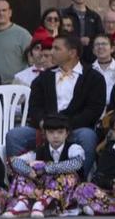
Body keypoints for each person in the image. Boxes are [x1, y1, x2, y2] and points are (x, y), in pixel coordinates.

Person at [9, 34, 104, 165]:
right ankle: (21, 175)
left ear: (72, 53)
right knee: (15, 135)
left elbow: (94, 109)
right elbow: (34, 107)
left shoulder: (94, 78)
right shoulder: (44, 77)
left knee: (87, 136)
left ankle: (81, 177)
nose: (51, 52)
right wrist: (43, 123)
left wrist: (65, 126)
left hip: (75, 128)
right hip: (45, 128)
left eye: (56, 48)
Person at [6, 115, 92, 218]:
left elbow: (75, 164)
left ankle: (42, 204)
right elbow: (15, 161)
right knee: (24, 173)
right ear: (45, 134)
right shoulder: (41, 150)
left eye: (60, 132)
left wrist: (46, 169)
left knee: (67, 176)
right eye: (51, 132)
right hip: (43, 189)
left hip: (69, 193)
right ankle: (23, 202)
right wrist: (28, 171)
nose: (55, 136)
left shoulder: (73, 148)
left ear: (66, 133)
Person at [0, 0, 33, 83]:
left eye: (4, 10)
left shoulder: (23, 35)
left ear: (10, 13)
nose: (1, 13)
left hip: (17, 84)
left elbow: (33, 60)